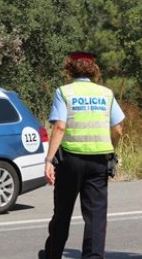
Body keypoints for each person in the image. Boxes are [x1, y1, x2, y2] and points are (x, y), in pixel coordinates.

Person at [39, 51, 124, 259]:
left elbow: (59, 127)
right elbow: (119, 129)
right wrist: (111, 148)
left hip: (71, 160)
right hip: (99, 161)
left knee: (63, 211)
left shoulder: (64, 92)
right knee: (95, 216)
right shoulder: (106, 94)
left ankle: (53, 254)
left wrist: (49, 160)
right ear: (93, 69)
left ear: (70, 68)